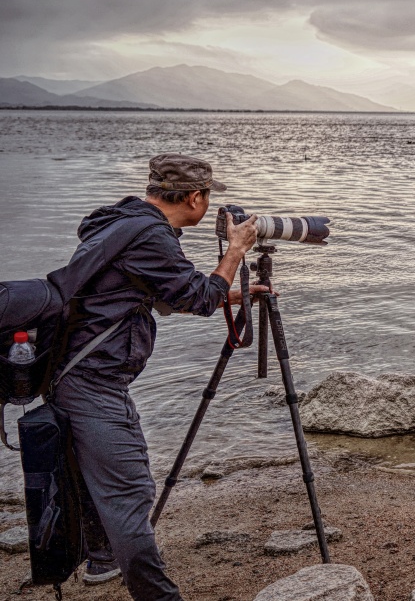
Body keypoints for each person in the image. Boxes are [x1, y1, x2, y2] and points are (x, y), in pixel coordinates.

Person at [49, 154, 261, 598]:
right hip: (92, 381)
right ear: (193, 197)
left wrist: (231, 291)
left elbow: (160, 294)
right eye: (208, 197)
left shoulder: (122, 222)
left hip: (80, 376)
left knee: (107, 479)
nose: (211, 208)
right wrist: (235, 252)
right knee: (131, 495)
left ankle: (103, 559)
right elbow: (199, 298)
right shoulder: (151, 235)